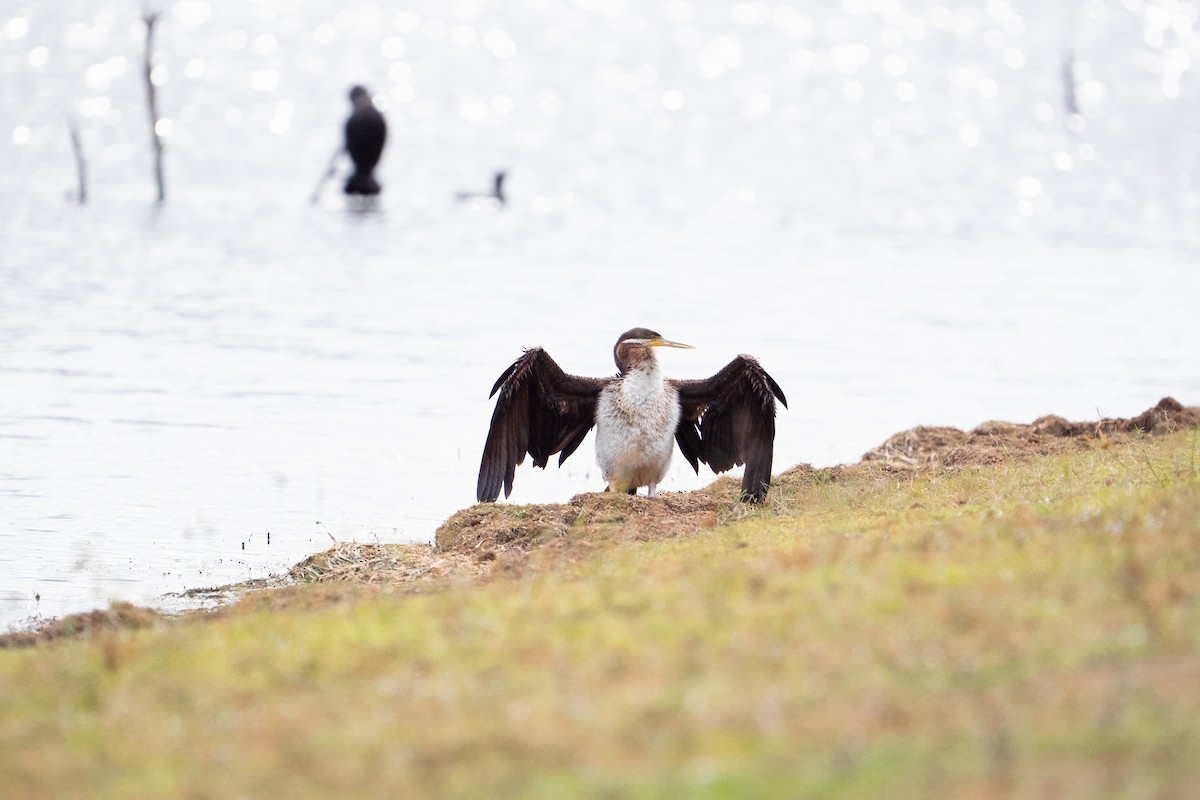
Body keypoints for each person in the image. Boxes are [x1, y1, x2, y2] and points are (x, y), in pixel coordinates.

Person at [343, 86, 386, 196]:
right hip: (368, 176)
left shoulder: (354, 118)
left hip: (360, 176)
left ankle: (362, 175)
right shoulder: (377, 115)